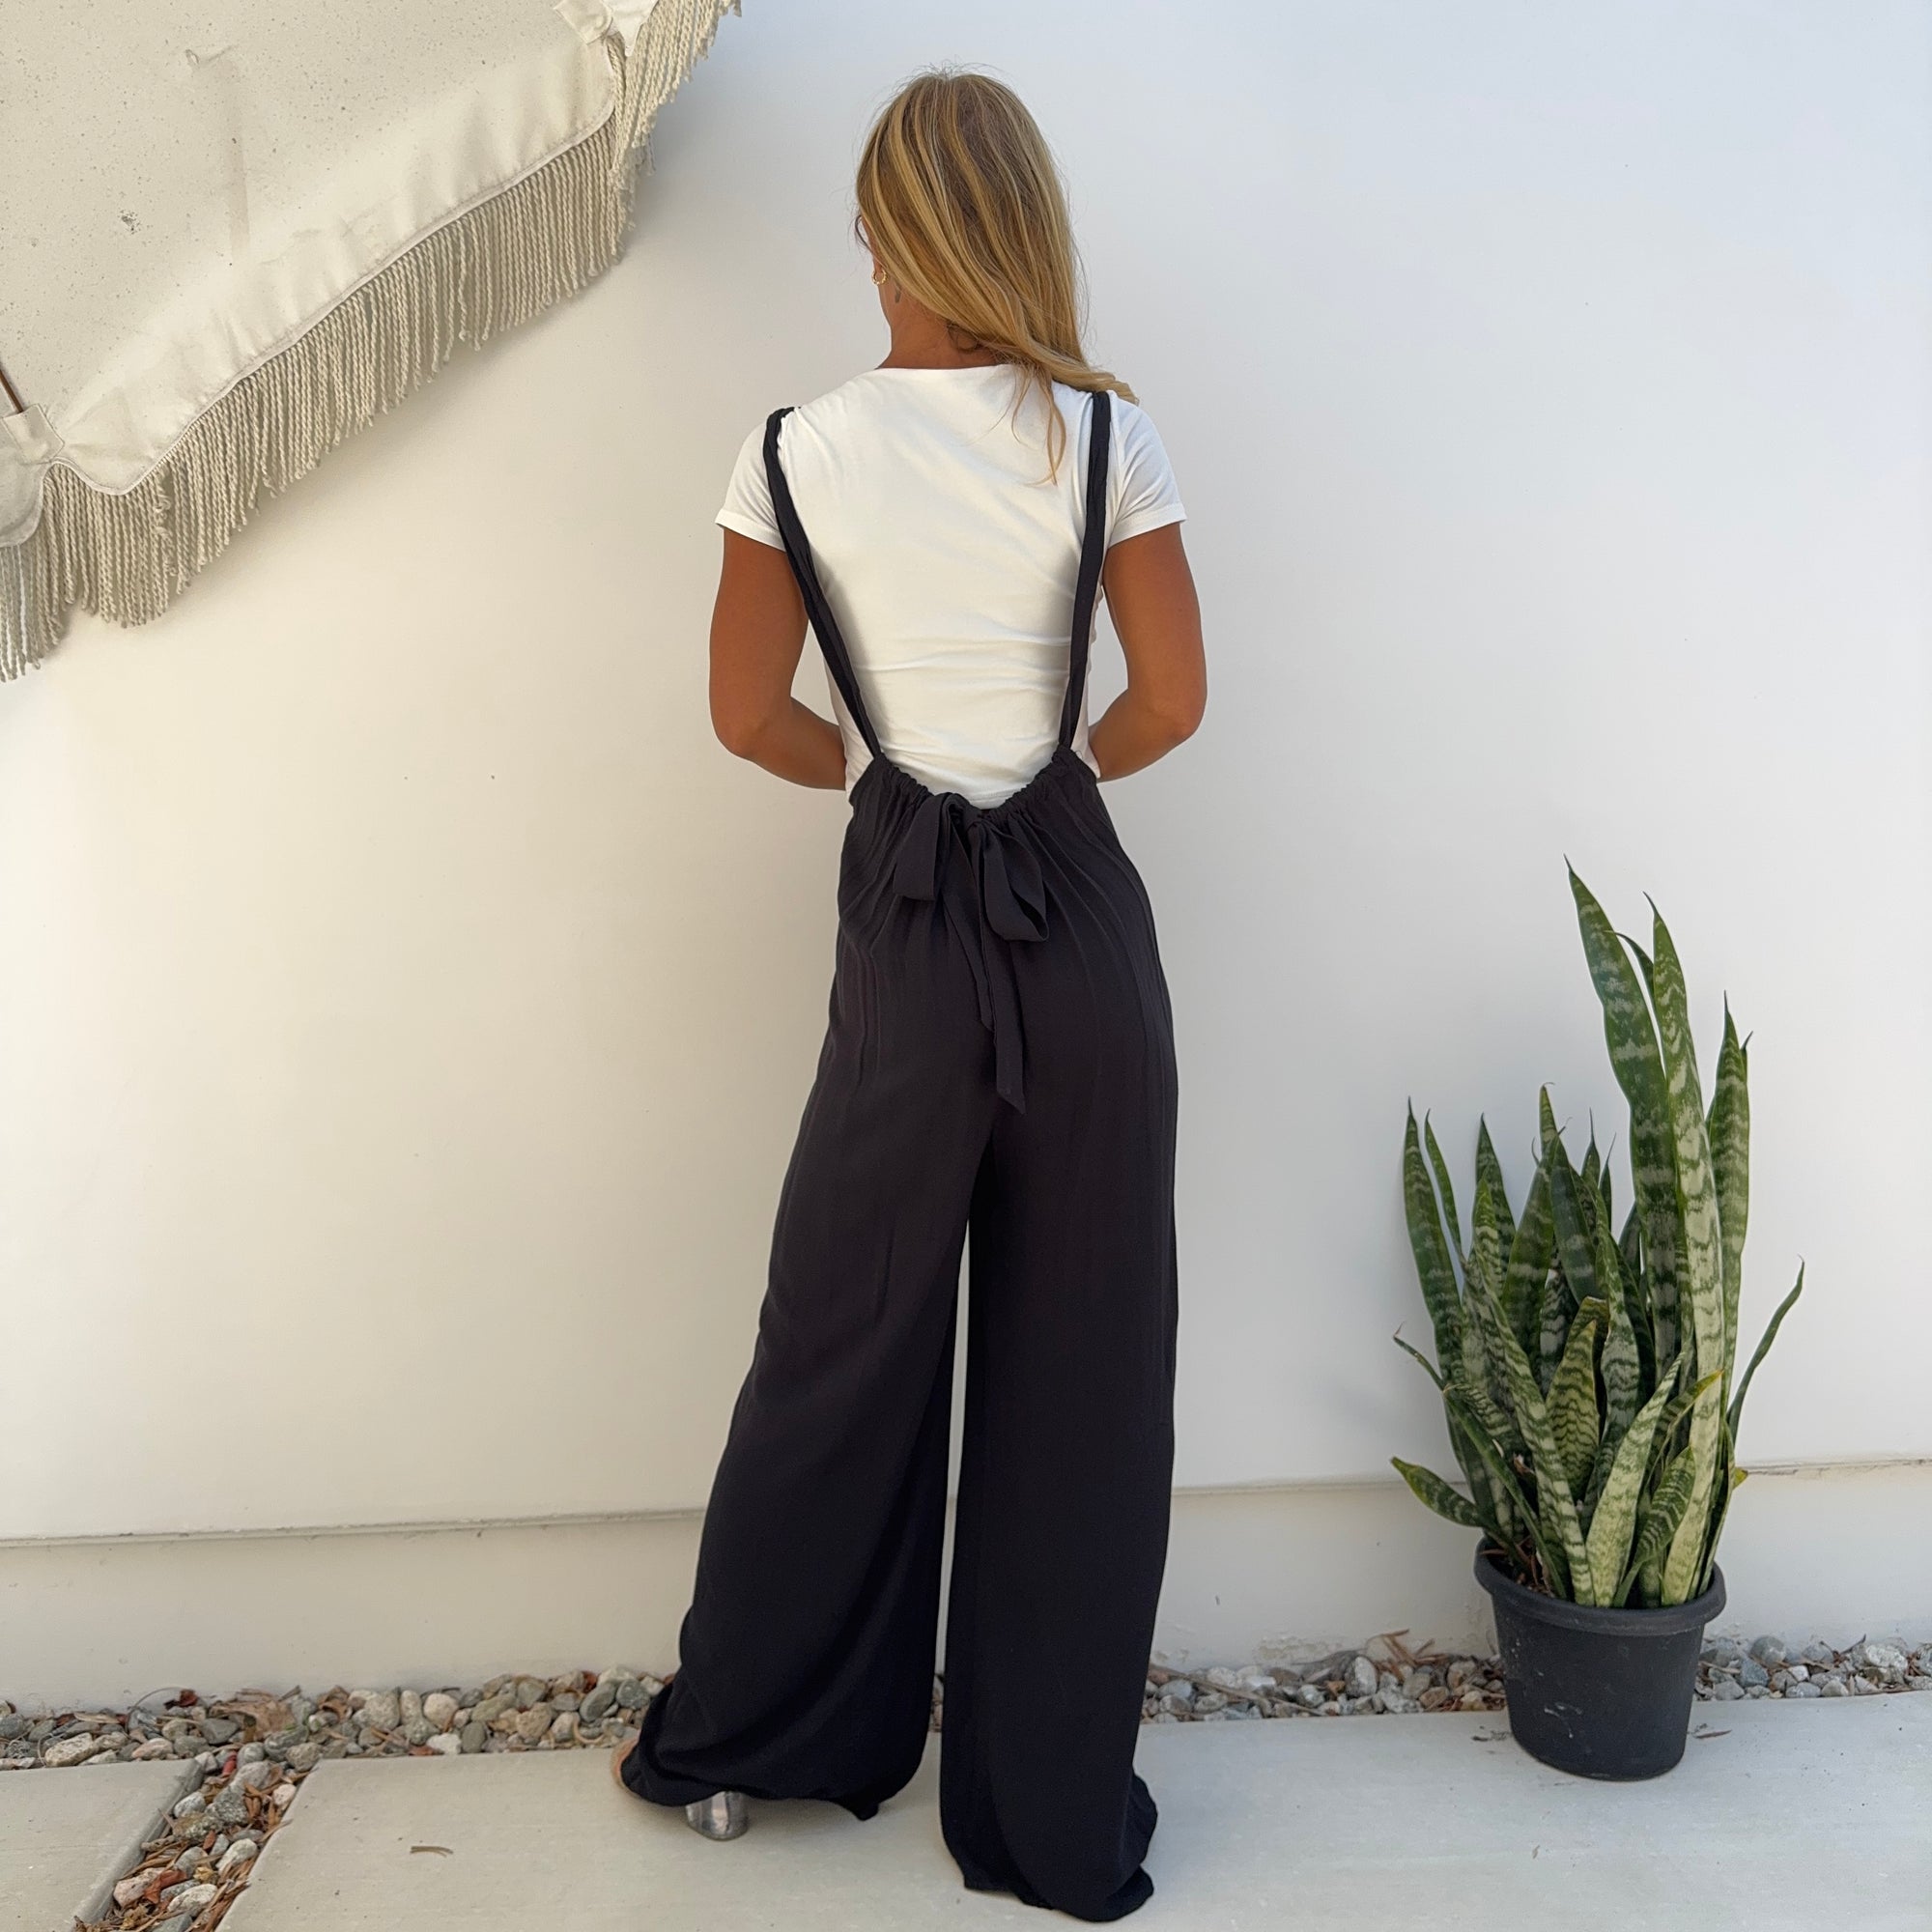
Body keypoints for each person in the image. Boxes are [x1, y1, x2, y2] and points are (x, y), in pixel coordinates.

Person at [610, 66, 1205, 1923]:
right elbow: (1173, 703)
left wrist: (876, 771)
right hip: (1081, 926)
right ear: (1019, 224)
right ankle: (1044, 1814)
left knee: (841, 1338)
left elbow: (745, 716)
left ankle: (760, 1737)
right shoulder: (1105, 433)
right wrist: (1056, 778)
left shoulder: (796, 450)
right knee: (1088, 1367)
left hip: (908, 920)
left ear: (883, 233)